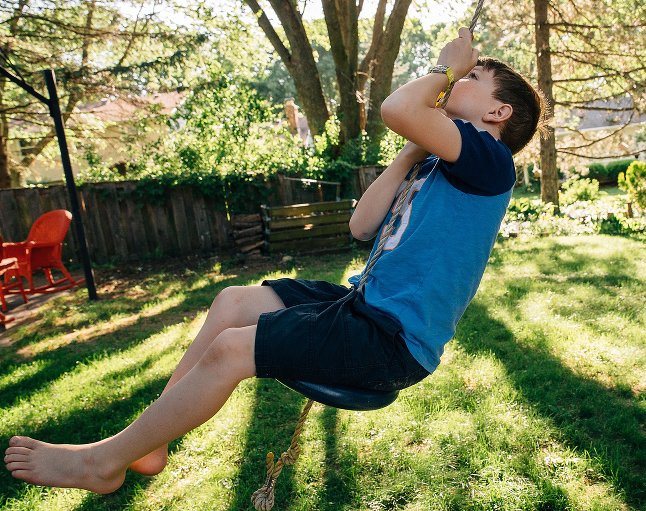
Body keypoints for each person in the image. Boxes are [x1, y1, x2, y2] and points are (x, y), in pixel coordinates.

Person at [3, 27, 545, 494]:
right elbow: (361, 227)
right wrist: (409, 152)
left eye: (473, 80)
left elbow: (398, 108)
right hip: (359, 304)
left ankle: (102, 464)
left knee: (234, 349)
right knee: (235, 301)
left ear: (499, 112)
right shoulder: (438, 168)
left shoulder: (490, 163)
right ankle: (149, 444)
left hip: (391, 341)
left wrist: (445, 68)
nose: (459, 79)